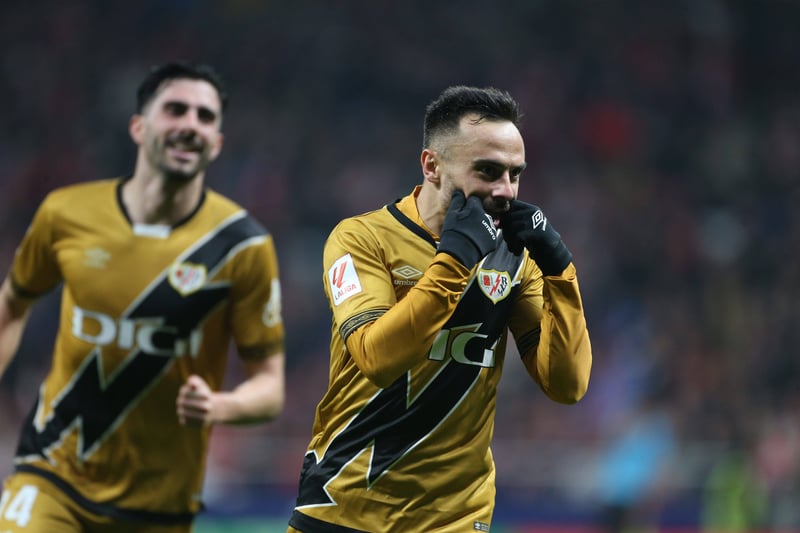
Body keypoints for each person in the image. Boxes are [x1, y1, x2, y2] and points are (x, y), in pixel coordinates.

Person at [287, 86, 592, 532]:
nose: (505, 191)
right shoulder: (362, 239)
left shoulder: (514, 258)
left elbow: (567, 385)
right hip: (344, 503)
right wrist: (455, 258)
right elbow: (376, 357)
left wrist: (560, 271)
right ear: (431, 166)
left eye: (515, 174)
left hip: (455, 517)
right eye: (487, 171)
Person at [0, 62, 286, 532]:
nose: (190, 124)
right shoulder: (66, 213)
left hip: (160, 505)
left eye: (205, 117)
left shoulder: (242, 246)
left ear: (216, 143)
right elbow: (12, 305)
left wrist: (220, 407)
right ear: (138, 127)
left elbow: (270, 389)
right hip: (54, 476)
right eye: (176, 109)